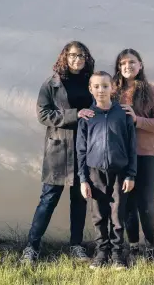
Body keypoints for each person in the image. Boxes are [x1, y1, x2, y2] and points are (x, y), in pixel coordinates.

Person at [21, 41, 96, 264]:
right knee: (48, 199)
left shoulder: (90, 82)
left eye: (82, 56)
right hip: (59, 148)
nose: (78, 59)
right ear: (65, 56)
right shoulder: (51, 84)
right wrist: (75, 114)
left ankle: (76, 245)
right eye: (73, 55)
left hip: (85, 148)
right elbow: (43, 114)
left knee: (80, 200)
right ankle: (31, 246)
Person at [77, 71, 137, 269]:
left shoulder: (123, 114)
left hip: (119, 172)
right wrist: (83, 179)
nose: (101, 90)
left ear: (112, 88)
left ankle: (118, 253)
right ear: (90, 89)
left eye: (105, 86)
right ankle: (102, 252)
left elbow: (131, 147)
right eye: (96, 86)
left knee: (117, 214)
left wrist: (130, 174)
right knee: (99, 215)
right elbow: (81, 150)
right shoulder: (87, 117)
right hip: (95, 173)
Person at [113, 48, 154, 261]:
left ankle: (151, 248)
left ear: (140, 65)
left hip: (145, 156)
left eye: (132, 62)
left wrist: (138, 120)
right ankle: (133, 247)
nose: (128, 66)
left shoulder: (151, 92)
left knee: (145, 204)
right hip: (120, 157)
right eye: (123, 63)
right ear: (119, 67)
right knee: (126, 204)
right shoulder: (113, 92)